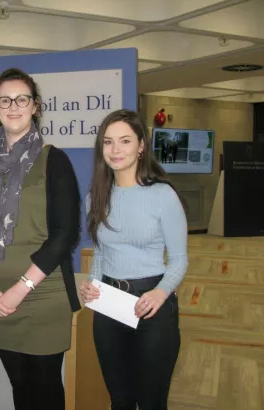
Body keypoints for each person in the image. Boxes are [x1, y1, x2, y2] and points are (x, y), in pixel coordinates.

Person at [0, 68, 81, 410]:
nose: (13, 106)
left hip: (42, 293)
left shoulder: (54, 160)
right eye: (5, 100)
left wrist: (20, 288)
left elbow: (65, 235)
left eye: (21, 99)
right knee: (20, 387)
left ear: (35, 106)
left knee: (45, 389)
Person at [80, 109, 188, 410]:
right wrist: (91, 283)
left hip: (152, 302)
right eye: (108, 142)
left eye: (125, 141)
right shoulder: (96, 196)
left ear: (141, 146)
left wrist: (160, 293)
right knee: (121, 400)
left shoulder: (162, 195)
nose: (115, 150)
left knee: (152, 402)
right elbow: (101, 252)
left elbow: (179, 259)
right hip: (110, 302)